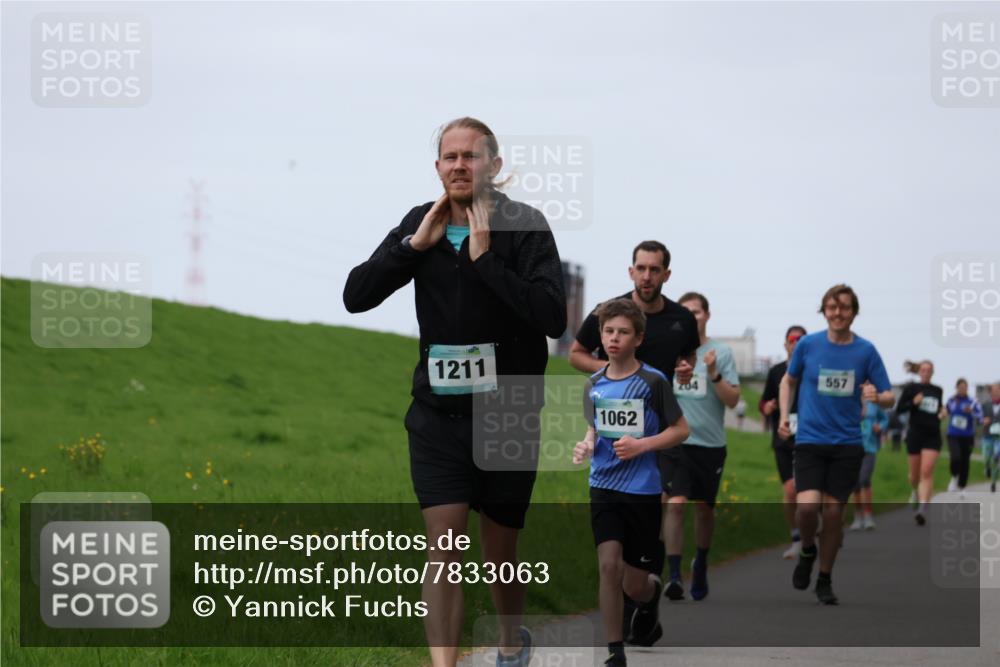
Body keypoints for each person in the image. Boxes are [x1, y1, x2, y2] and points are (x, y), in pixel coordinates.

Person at [343, 117, 567, 667]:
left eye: (471, 156)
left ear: (492, 164)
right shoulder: (422, 223)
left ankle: (510, 645)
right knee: (443, 547)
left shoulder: (525, 226)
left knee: (499, 554)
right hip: (439, 415)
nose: (460, 165)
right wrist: (411, 247)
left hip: (508, 414)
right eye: (450, 157)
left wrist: (487, 260)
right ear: (438, 167)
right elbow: (356, 296)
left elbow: (552, 317)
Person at [569, 240, 699, 622]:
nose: (646, 276)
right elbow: (575, 353)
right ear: (631, 271)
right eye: (640, 268)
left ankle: (642, 586)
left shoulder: (681, 319)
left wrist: (686, 369)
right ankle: (632, 596)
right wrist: (614, 367)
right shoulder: (607, 314)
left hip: (660, 425)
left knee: (656, 504)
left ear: (665, 275)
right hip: (615, 427)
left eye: (654, 269)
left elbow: (687, 357)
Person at [573, 298, 690, 666]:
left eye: (623, 332)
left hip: (641, 490)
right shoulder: (593, 384)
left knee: (635, 583)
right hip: (604, 486)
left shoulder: (653, 382)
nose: (613, 338)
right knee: (608, 565)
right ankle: (614, 649)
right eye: (608, 331)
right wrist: (586, 445)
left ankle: (650, 596)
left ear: (638, 338)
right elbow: (595, 430)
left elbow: (681, 430)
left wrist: (643, 445)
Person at [778, 284, 894, 605]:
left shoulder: (866, 351)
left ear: (854, 312)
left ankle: (825, 577)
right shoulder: (808, 346)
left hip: (847, 444)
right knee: (807, 509)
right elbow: (788, 380)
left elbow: (889, 396)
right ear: (824, 311)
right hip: (811, 440)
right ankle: (807, 549)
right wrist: (784, 416)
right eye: (832, 307)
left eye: (844, 307)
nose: (838, 313)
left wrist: (876, 397)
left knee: (832, 515)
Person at [660, 292, 740, 602]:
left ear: (707, 315)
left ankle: (702, 562)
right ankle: (675, 575)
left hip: (710, 444)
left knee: (704, 510)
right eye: (686, 312)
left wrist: (714, 373)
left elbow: (732, 400)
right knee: (676, 503)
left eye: (697, 312)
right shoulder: (672, 350)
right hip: (677, 441)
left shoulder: (720, 353)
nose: (692, 317)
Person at [760, 326, 807, 558]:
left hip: (809, 438)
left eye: (801, 340)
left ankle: (815, 528)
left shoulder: (811, 370)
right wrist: (767, 407)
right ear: (785, 345)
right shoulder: (776, 371)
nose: (796, 343)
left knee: (806, 490)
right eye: (792, 339)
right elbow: (763, 402)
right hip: (783, 437)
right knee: (790, 489)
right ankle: (796, 535)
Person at [896, 360, 946, 525]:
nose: (925, 372)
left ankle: (923, 509)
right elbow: (899, 409)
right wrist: (913, 402)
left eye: (928, 370)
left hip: (932, 435)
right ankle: (915, 491)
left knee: (927, 471)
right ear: (919, 372)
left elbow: (938, 409)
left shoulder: (938, 390)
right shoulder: (911, 388)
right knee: (914, 476)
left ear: (932, 372)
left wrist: (942, 411)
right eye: (923, 370)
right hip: (915, 435)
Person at [849, 397, 888, 531]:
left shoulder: (874, 403)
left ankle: (868, 516)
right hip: (851, 446)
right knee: (855, 484)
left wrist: (880, 426)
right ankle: (858, 517)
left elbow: (884, 418)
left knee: (864, 479)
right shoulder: (849, 400)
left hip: (869, 447)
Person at [945, 378, 983, 497]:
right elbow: (945, 411)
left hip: (967, 436)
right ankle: (954, 476)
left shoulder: (973, 401)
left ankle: (962, 487)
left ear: (967, 389)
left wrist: (971, 412)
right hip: (953, 434)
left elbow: (980, 417)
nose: (962, 389)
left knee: (965, 461)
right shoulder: (951, 400)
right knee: (955, 458)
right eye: (960, 387)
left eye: (965, 387)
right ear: (957, 388)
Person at [982, 382, 1000, 492]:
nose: (996, 392)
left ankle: (993, 482)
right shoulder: (985, 405)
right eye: (994, 390)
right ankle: (987, 466)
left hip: (999, 437)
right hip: (987, 435)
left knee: (996, 458)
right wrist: (983, 420)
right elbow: (978, 419)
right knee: (987, 457)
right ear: (990, 392)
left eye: (998, 389)